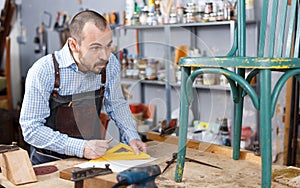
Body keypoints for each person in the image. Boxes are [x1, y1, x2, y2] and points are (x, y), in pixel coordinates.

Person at [19, 10, 146, 165]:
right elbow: (31, 130)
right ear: (74, 45)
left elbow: (117, 104)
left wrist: (132, 135)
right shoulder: (44, 71)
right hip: (50, 163)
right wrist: (80, 148)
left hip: (92, 159)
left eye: (108, 46)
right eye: (95, 48)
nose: (105, 56)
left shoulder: (109, 63)